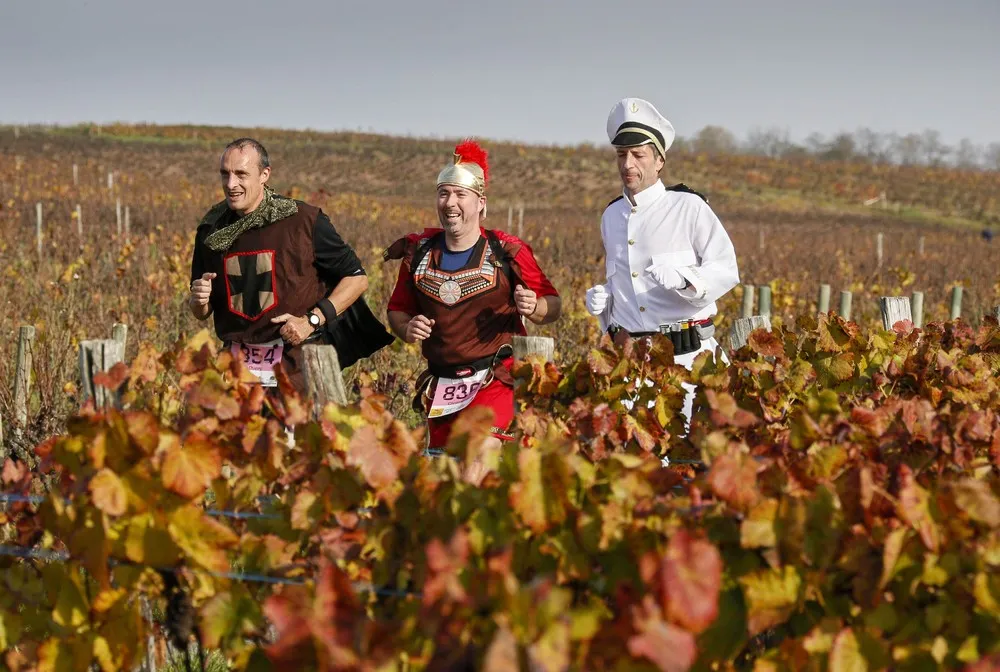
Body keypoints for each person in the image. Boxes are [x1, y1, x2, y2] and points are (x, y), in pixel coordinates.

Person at [383, 140, 561, 463]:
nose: (450, 203)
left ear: (481, 202)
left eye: (460, 195)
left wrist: (535, 307)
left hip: (495, 378)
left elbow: (553, 304)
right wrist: (407, 328)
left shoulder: (506, 252)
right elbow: (396, 310)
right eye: (444, 193)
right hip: (443, 385)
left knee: (479, 455)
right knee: (443, 471)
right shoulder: (419, 252)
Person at [189, 137, 393, 395]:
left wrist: (312, 320)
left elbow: (356, 278)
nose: (231, 184)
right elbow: (201, 310)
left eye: (241, 174)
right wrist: (199, 300)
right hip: (236, 372)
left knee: (297, 435)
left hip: (298, 369)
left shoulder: (303, 221)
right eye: (225, 174)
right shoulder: (211, 231)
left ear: (264, 175)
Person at [585, 97, 740, 428]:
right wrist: (603, 304)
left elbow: (726, 269)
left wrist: (686, 280)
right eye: (621, 155)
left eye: (638, 155)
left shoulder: (689, 207)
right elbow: (623, 285)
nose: (628, 164)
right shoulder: (611, 215)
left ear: (659, 161)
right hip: (631, 368)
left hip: (688, 364)